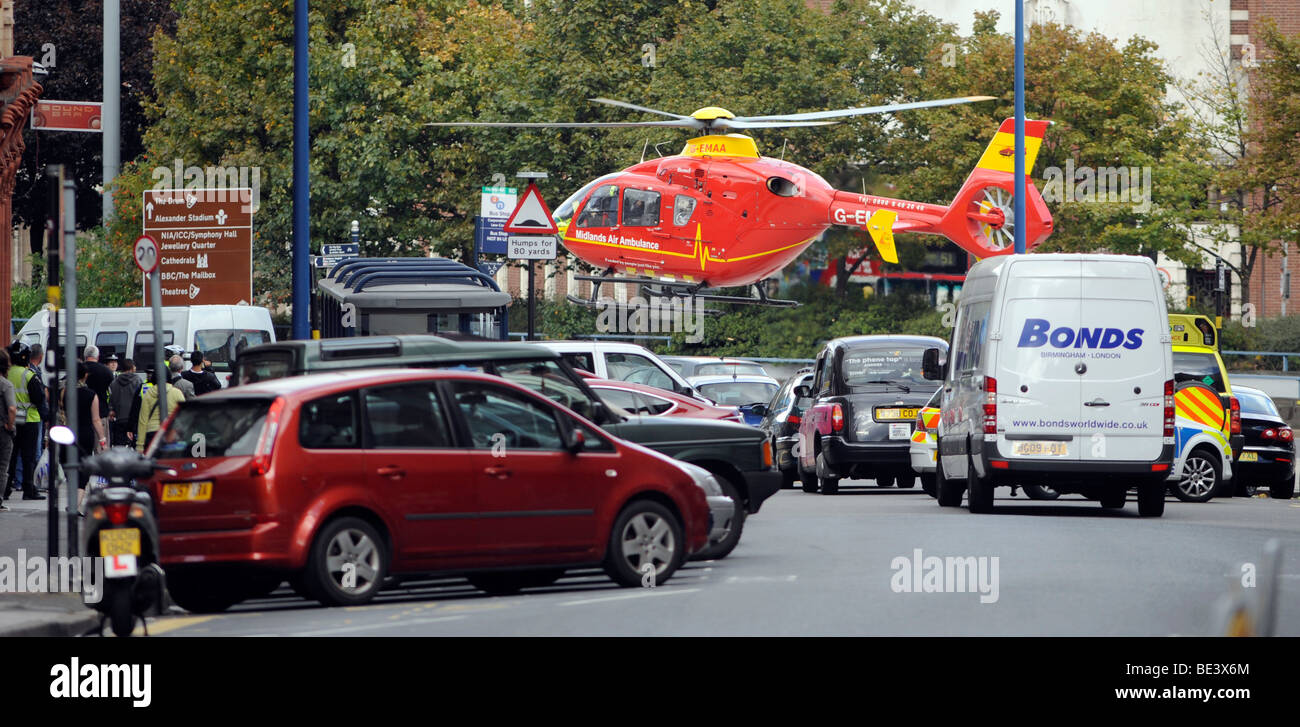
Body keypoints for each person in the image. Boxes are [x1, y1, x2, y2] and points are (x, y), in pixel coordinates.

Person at [5, 342, 45, 501]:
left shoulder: (7, 374)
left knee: (11, 456)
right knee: (28, 457)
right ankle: (29, 489)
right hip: (30, 420)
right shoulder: (29, 375)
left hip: (11, 420)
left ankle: (6, 489)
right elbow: (39, 399)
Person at [68, 363, 106, 510]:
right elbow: (96, 420)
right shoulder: (91, 395)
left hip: (68, 433)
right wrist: (102, 439)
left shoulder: (65, 392)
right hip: (85, 434)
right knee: (83, 470)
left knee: (70, 467)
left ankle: (73, 501)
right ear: (85, 376)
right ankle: (75, 503)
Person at [136, 368, 184, 453]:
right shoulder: (177, 393)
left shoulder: (148, 394)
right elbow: (183, 416)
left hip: (151, 434)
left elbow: (143, 421)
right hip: (170, 434)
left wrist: (140, 445)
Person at [82, 345, 114, 452]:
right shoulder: (106, 372)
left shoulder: (79, 370)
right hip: (101, 414)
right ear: (98, 356)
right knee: (101, 449)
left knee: (82, 451)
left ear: (84, 356)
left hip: (81, 417)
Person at [108, 358, 142, 447]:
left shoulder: (114, 382)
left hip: (119, 418)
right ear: (131, 367)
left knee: (119, 447)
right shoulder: (138, 380)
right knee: (135, 446)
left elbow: (111, 399)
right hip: (133, 419)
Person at [0, 351, 16, 512]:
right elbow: (11, 408)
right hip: (2, 431)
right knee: (2, 467)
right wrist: (10, 426)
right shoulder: (5, 384)